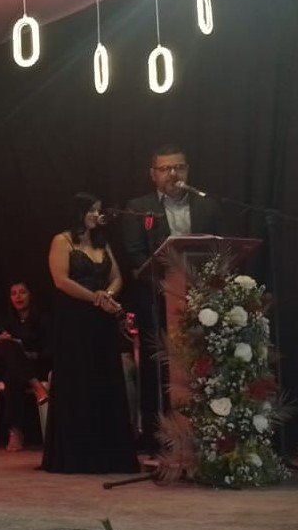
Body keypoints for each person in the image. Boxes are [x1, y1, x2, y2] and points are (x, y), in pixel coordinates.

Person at [121, 144, 225, 453]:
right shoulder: (138, 208)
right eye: (165, 168)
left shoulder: (208, 206)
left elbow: (221, 250)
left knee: (206, 364)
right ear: (153, 174)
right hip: (157, 302)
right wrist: (170, 288)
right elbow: (136, 257)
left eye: (178, 167)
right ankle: (157, 436)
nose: (172, 174)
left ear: (187, 170)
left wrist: (205, 286)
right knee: (157, 368)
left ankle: (210, 432)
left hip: (204, 301)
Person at [41, 193, 139, 474]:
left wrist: (107, 295)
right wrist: (95, 298)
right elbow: (61, 280)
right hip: (74, 320)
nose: (97, 215)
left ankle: (108, 453)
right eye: (91, 210)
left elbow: (117, 277)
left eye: (98, 210)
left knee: (104, 380)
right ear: (78, 212)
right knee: (78, 380)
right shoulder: (62, 241)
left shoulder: (101, 243)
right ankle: (77, 454)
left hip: (101, 321)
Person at [0, 281, 51, 451]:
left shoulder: (43, 319)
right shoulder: (4, 319)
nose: (18, 297)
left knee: (12, 375)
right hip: (7, 366)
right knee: (7, 346)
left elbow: (50, 350)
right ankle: (37, 386)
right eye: (13, 293)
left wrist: (29, 355)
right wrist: (1, 341)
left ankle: (15, 432)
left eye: (22, 292)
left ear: (30, 295)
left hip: (35, 365)